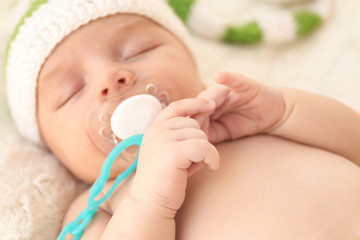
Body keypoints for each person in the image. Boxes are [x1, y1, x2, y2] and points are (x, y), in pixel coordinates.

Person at [5, 0, 360, 239]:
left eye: (138, 50)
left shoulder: (248, 118)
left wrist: (285, 112)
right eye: (71, 90)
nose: (112, 77)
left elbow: (354, 145)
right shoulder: (102, 201)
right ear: (53, 151)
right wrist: (150, 200)